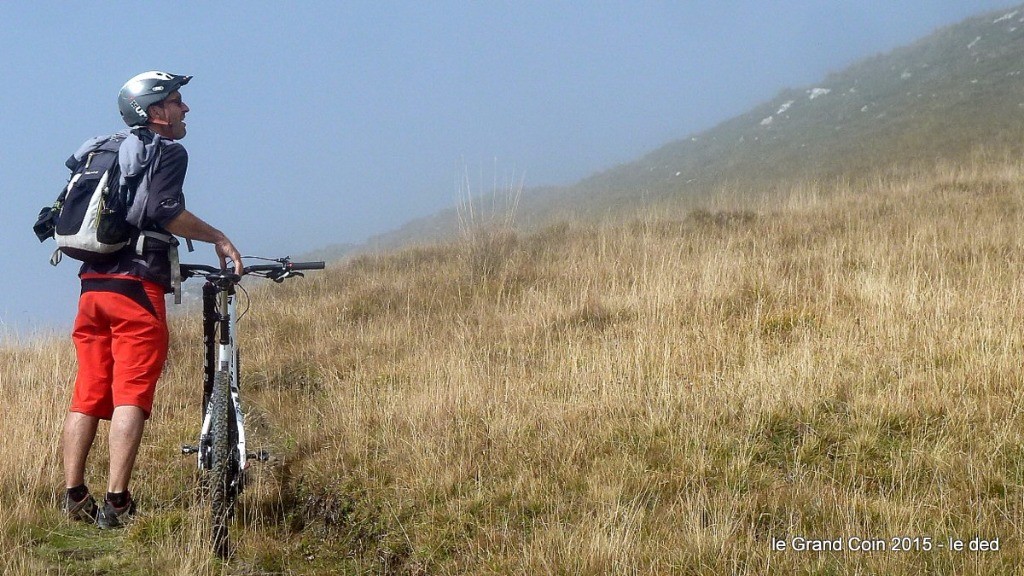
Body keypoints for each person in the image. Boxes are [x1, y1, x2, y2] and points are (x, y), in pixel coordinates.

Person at [61, 71, 243, 529]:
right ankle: (116, 502)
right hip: (136, 290)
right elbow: (165, 211)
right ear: (155, 112)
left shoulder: (104, 149)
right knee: (132, 394)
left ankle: (74, 495)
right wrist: (218, 237)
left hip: (91, 286)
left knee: (88, 393)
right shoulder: (167, 151)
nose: (185, 110)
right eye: (177, 102)